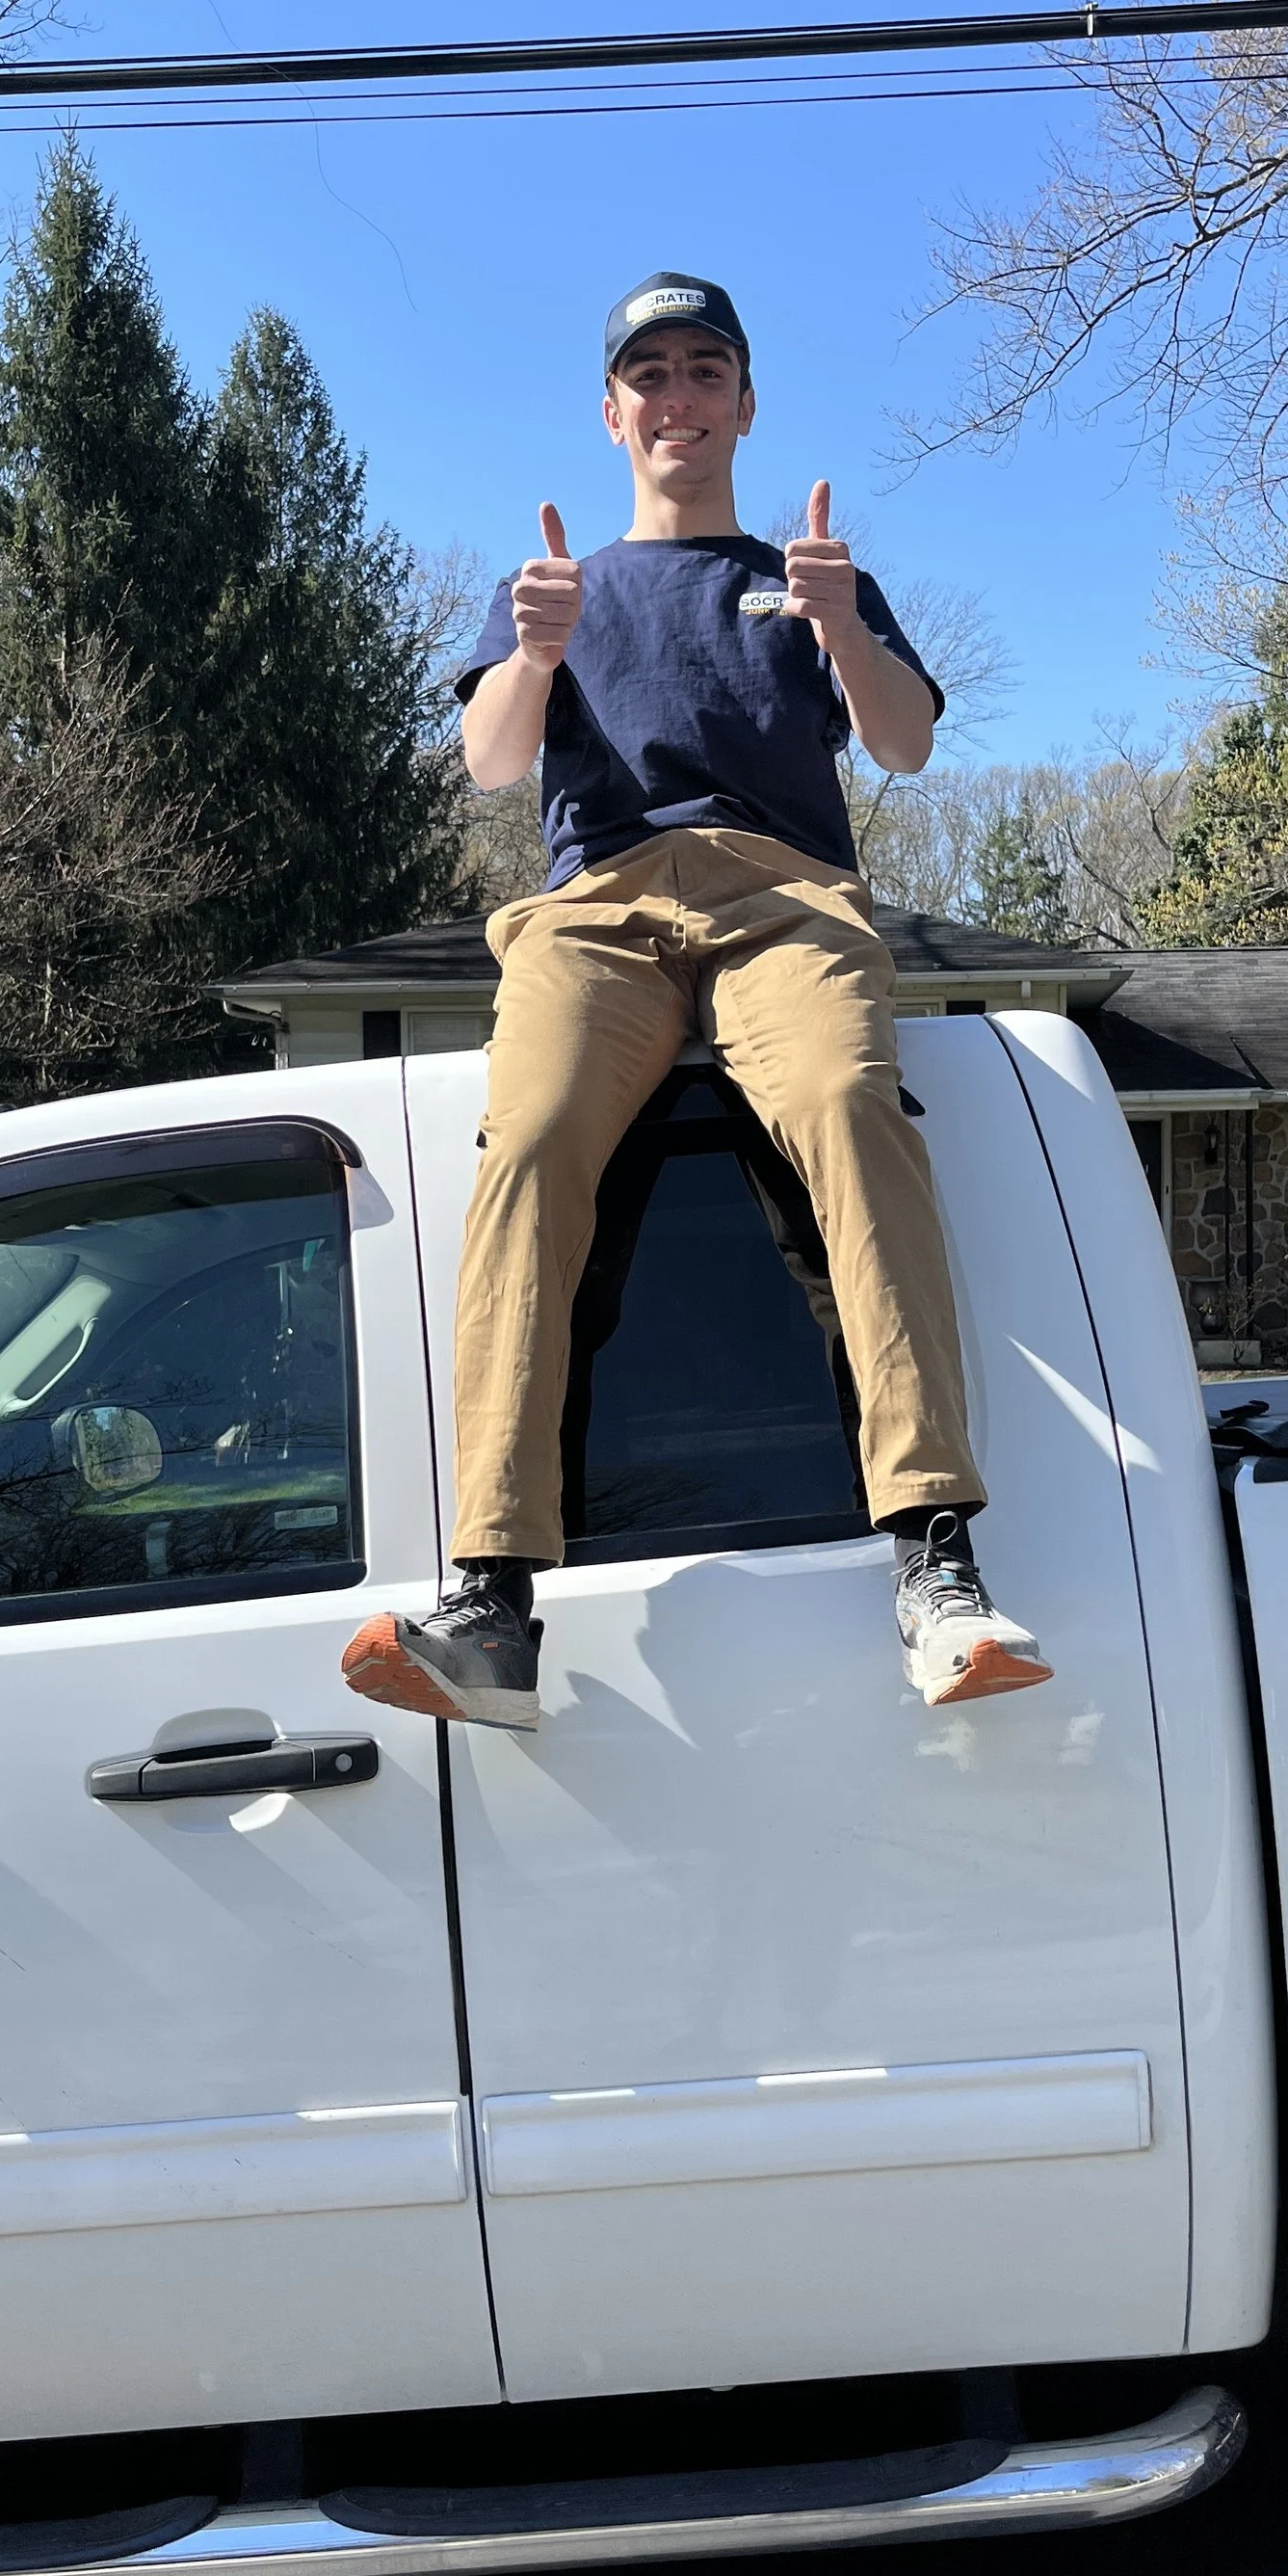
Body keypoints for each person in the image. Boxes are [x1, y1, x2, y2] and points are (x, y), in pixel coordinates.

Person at [340, 271, 1051, 1734]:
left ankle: (936, 1566)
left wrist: (846, 627)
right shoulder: (554, 588)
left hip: (781, 898)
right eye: (648, 376)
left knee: (853, 1110)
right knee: (528, 1142)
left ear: (742, 403)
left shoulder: (809, 582)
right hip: (594, 909)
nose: (676, 398)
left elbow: (905, 748)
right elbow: (488, 763)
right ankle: (489, 1600)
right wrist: (532, 652)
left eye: (704, 371)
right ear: (613, 415)